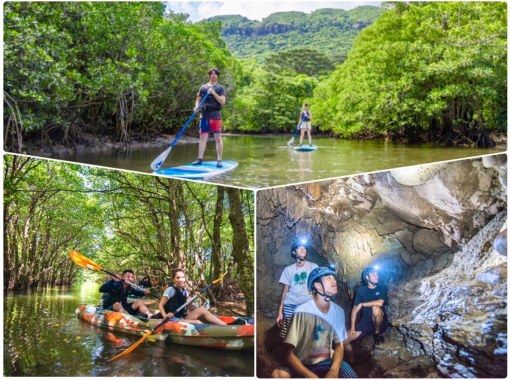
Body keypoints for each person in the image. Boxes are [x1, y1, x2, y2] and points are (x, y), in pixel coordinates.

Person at [271, 266, 357, 378]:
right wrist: (310, 376)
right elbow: (288, 354)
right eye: (328, 278)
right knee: (278, 375)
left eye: (333, 277)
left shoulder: (339, 312)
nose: (334, 280)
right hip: (301, 362)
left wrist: (334, 370)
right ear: (317, 285)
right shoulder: (301, 312)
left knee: (351, 376)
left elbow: (339, 344)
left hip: (325, 362)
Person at [157, 269, 245, 325]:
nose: (181, 279)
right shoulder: (170, 290)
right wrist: (165, 316)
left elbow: (189, 305)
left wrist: (197, 298)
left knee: (202, 309)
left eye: (183, 277)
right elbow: (161, 305)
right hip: (170, 318)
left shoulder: (184, 291)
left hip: (181, 316)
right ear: (173, 279)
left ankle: (225, 326)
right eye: (178, 277)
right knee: (198, 322)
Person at [276, 241, 318, 339]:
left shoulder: (313, 267)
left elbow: (318, 287)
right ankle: (287, 352)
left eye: (304, 248)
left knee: (307, 333)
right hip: (290, 304)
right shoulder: (288, 270)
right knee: (288, 334)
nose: (303, 249)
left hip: (307, 304)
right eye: (299, 247)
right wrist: (280, 312)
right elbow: (285, 291)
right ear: (294, 252)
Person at [192, 68, 226, 168]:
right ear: (209, 75)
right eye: (211, 74)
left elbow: (222, 102)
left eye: (215, 74)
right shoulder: (203, 87)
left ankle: (219, 160)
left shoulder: (220, 88)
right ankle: (199, 159)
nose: (213, 75)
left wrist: (213, 93)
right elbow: (198, 99)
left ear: (217, 76)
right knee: (202, 138)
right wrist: (196, 106)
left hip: (215, 115)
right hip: (204, 114)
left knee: (218, 138)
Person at [347, 266, 389, 345]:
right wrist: (352, 328)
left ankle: (377, 334)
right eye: (373, 274)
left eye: (377, 274)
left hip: (380, 321)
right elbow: (354, 310)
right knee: (345, 339)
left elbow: (380, 303)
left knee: (376, 309)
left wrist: (362, 304)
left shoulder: (382, 287)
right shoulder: (360, 291)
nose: (376, 276)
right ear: (367, 277)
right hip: (366, 321)